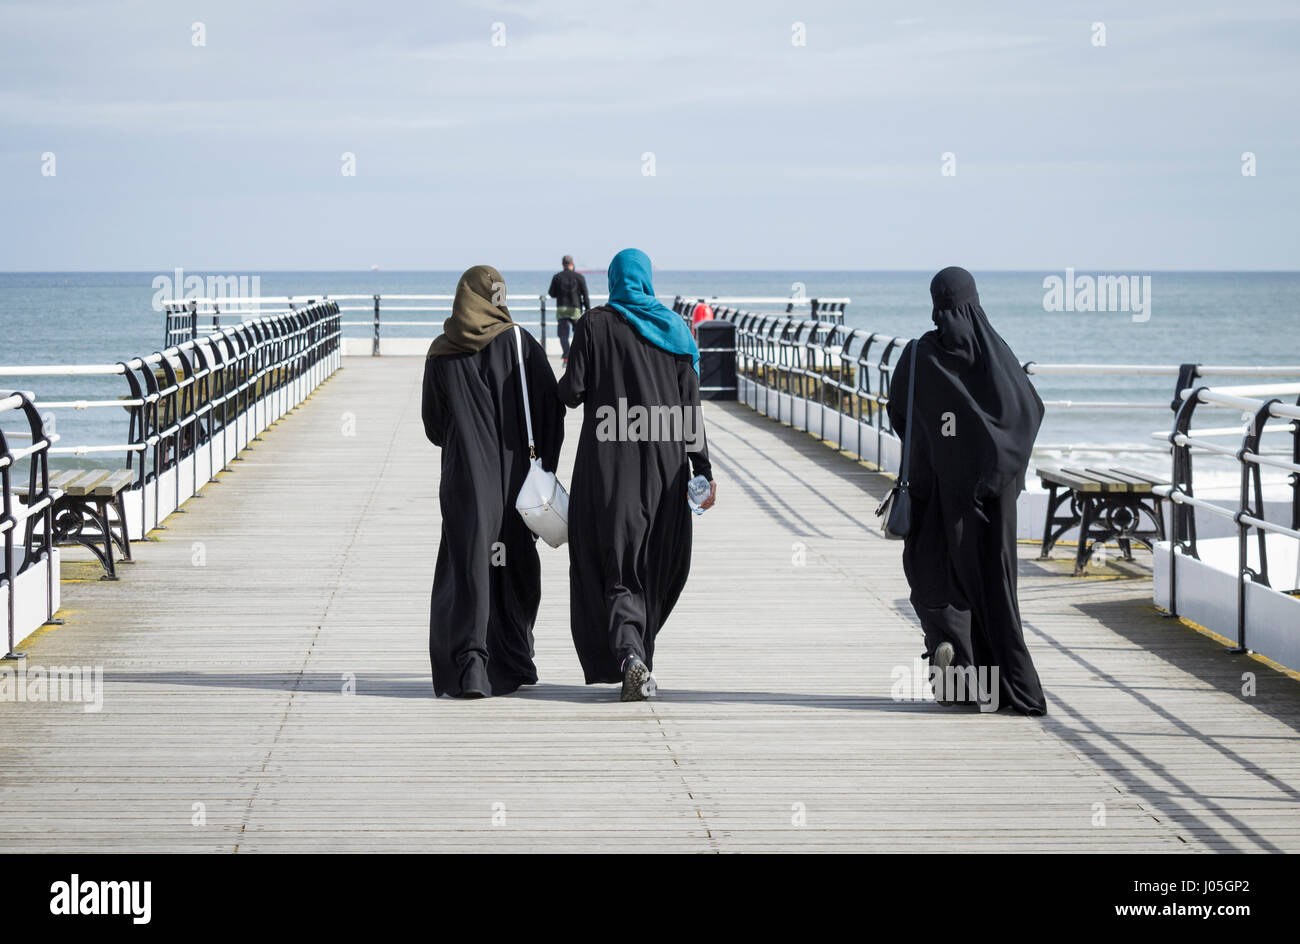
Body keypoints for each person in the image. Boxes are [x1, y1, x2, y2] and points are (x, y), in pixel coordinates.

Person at [886, 266, 1047, 715]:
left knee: (934, 580)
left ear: (935, 303)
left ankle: (957, 676)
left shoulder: (920, 355)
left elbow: (899, 413)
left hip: (932, 494)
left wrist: (939, 449)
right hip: (991, 508)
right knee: (992, 590)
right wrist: (994, 477)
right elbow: (1029, 412)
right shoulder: (998, 356)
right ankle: (1005, 686)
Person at [558, 248, 716, 701]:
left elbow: (572, 393)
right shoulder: (676, 331)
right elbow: (690, 412)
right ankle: (635, 653)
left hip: (609, 470)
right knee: (656, 563)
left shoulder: (593, 325)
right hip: (666, 472)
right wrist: (702, 470)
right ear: (647, 281)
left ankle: (630, 656)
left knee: (614, 561)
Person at [421, 265, 565, 698]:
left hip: (464, 480)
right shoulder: (520, 343)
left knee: (469, 568)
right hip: (515, 482)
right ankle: (513, 660)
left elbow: (432, 426)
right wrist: (545, 466)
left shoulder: (441, 352)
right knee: (511, 564)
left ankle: (471, 669)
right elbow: (552, 412)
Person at [548, 255, 590, 364]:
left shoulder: (557, 277)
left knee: (563, 334)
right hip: (575, 309)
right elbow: (585, 295)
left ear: (563, 265)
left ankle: (566, 356)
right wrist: (588, 309)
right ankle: (577, 356)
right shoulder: (579, 277)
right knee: (578, 333)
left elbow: (551, 294)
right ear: (572, 264)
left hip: (562, 309)